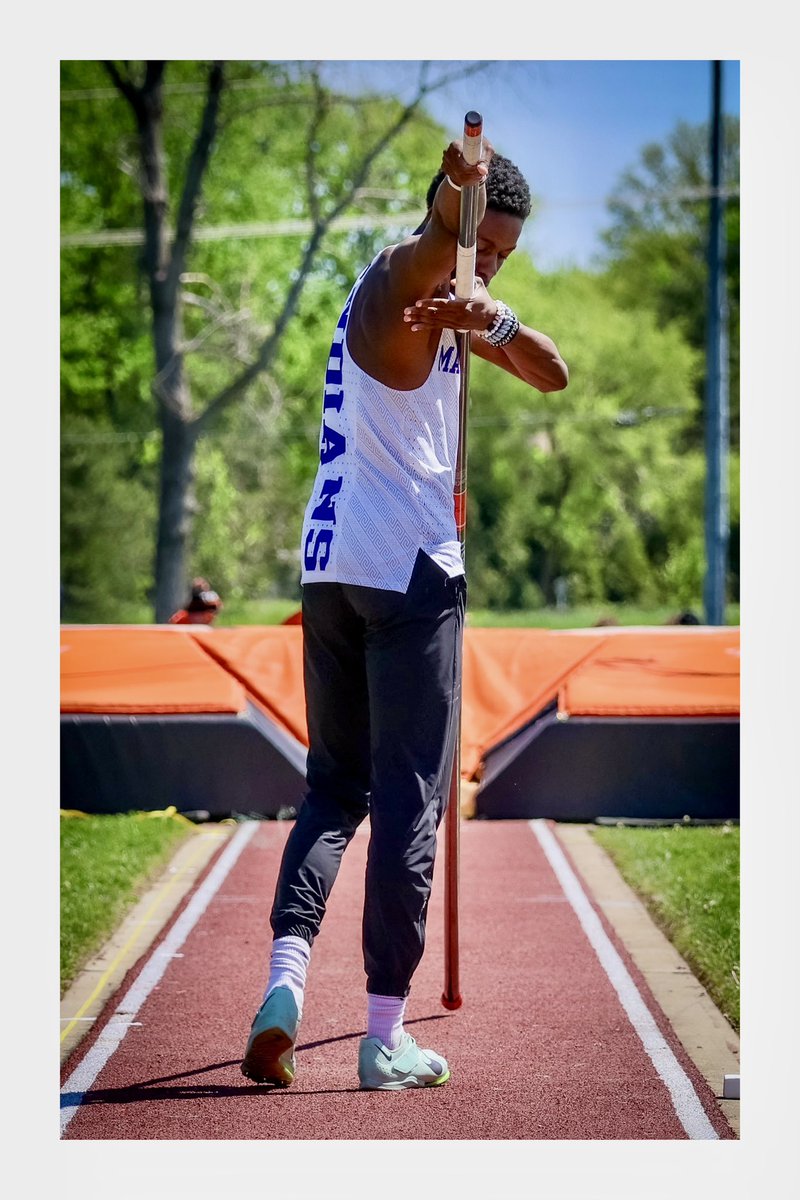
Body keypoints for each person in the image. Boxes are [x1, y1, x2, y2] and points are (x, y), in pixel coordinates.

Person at [241, 133, 568, 1091]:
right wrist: (455, 200)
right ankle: (385, 1037)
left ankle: (284, 989)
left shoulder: (455, 300)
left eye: (507, 253)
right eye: (488, 245)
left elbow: (553, 372)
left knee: (334, 788)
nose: (494, 262)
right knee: (409, 801)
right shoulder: (404, 274)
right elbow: (438, 238)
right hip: (410, 573)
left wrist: (494, 314)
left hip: (332, 569)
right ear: (454, 223)